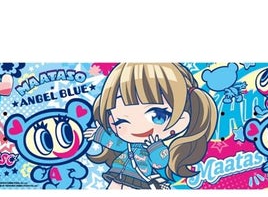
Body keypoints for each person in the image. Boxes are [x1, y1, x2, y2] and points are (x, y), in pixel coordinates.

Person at [85, 63, 217, 189]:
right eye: (120, 121)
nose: (137, 127)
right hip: (117, 173)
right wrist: (99, 134)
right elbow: (116, 143)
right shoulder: (128, 145)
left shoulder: (156, 147)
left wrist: (154, 147)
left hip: (138, 180)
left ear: (181, 120)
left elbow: (159, 163)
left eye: (157, 116)